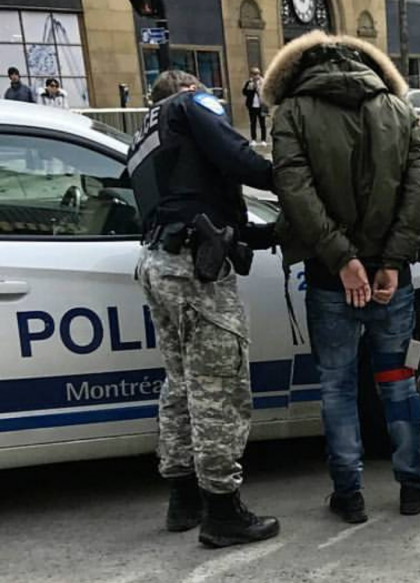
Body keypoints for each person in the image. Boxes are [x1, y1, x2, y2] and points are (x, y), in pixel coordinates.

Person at [263, 30, 420, 524]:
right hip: (390, 276)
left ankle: (350, 495)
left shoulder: (291, 114)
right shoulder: (402, 112)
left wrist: (341, 259)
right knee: (397, 379)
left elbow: (294, 189)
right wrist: (391, 260)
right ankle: (412, 485)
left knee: (337, 387)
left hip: (328, 276)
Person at [128, 70, 279, 548]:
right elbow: (243, 163)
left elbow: (188, 201)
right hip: (196, 271)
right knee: (218, 388)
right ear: (189, 91)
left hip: (158, 263)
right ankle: (223, 512)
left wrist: (262, 233)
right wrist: (293, 175)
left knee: (181, 385)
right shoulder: (189, 106)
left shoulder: (147, 133)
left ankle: (184, 498)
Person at [242, 67, 268, 146]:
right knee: (253, 123)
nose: (256, 76)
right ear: (251, 75)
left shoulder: (263, 82)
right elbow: (244, 92)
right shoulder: (249, 83)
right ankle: (253, 139)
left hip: (261, 106)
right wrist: (251, 88)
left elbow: (266, 91)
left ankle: (263, 140)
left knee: (262, 123)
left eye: (257, 74)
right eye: (254, 74)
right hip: (252, 106)